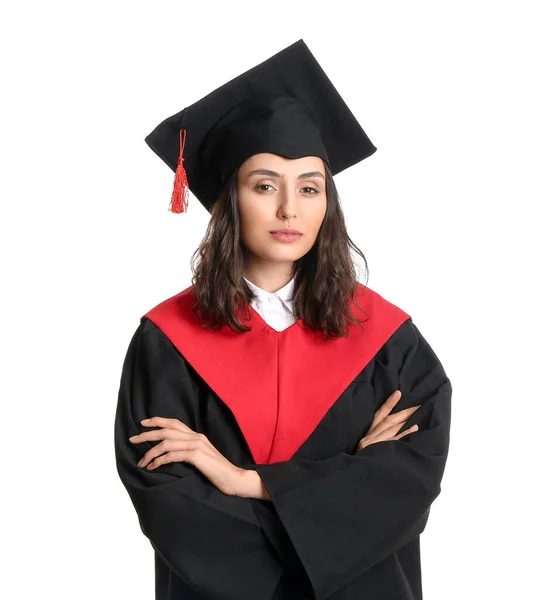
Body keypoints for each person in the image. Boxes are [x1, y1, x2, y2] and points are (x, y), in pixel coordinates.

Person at [114, 39, 452, 600]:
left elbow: (407, 484)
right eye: (265, 185)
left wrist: (244, 481)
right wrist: (338, 488)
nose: (290, 209)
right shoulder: (166, 342)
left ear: (328, 203)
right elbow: (170, 505)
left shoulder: (390, 341)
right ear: (229, 200)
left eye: (310, 188)